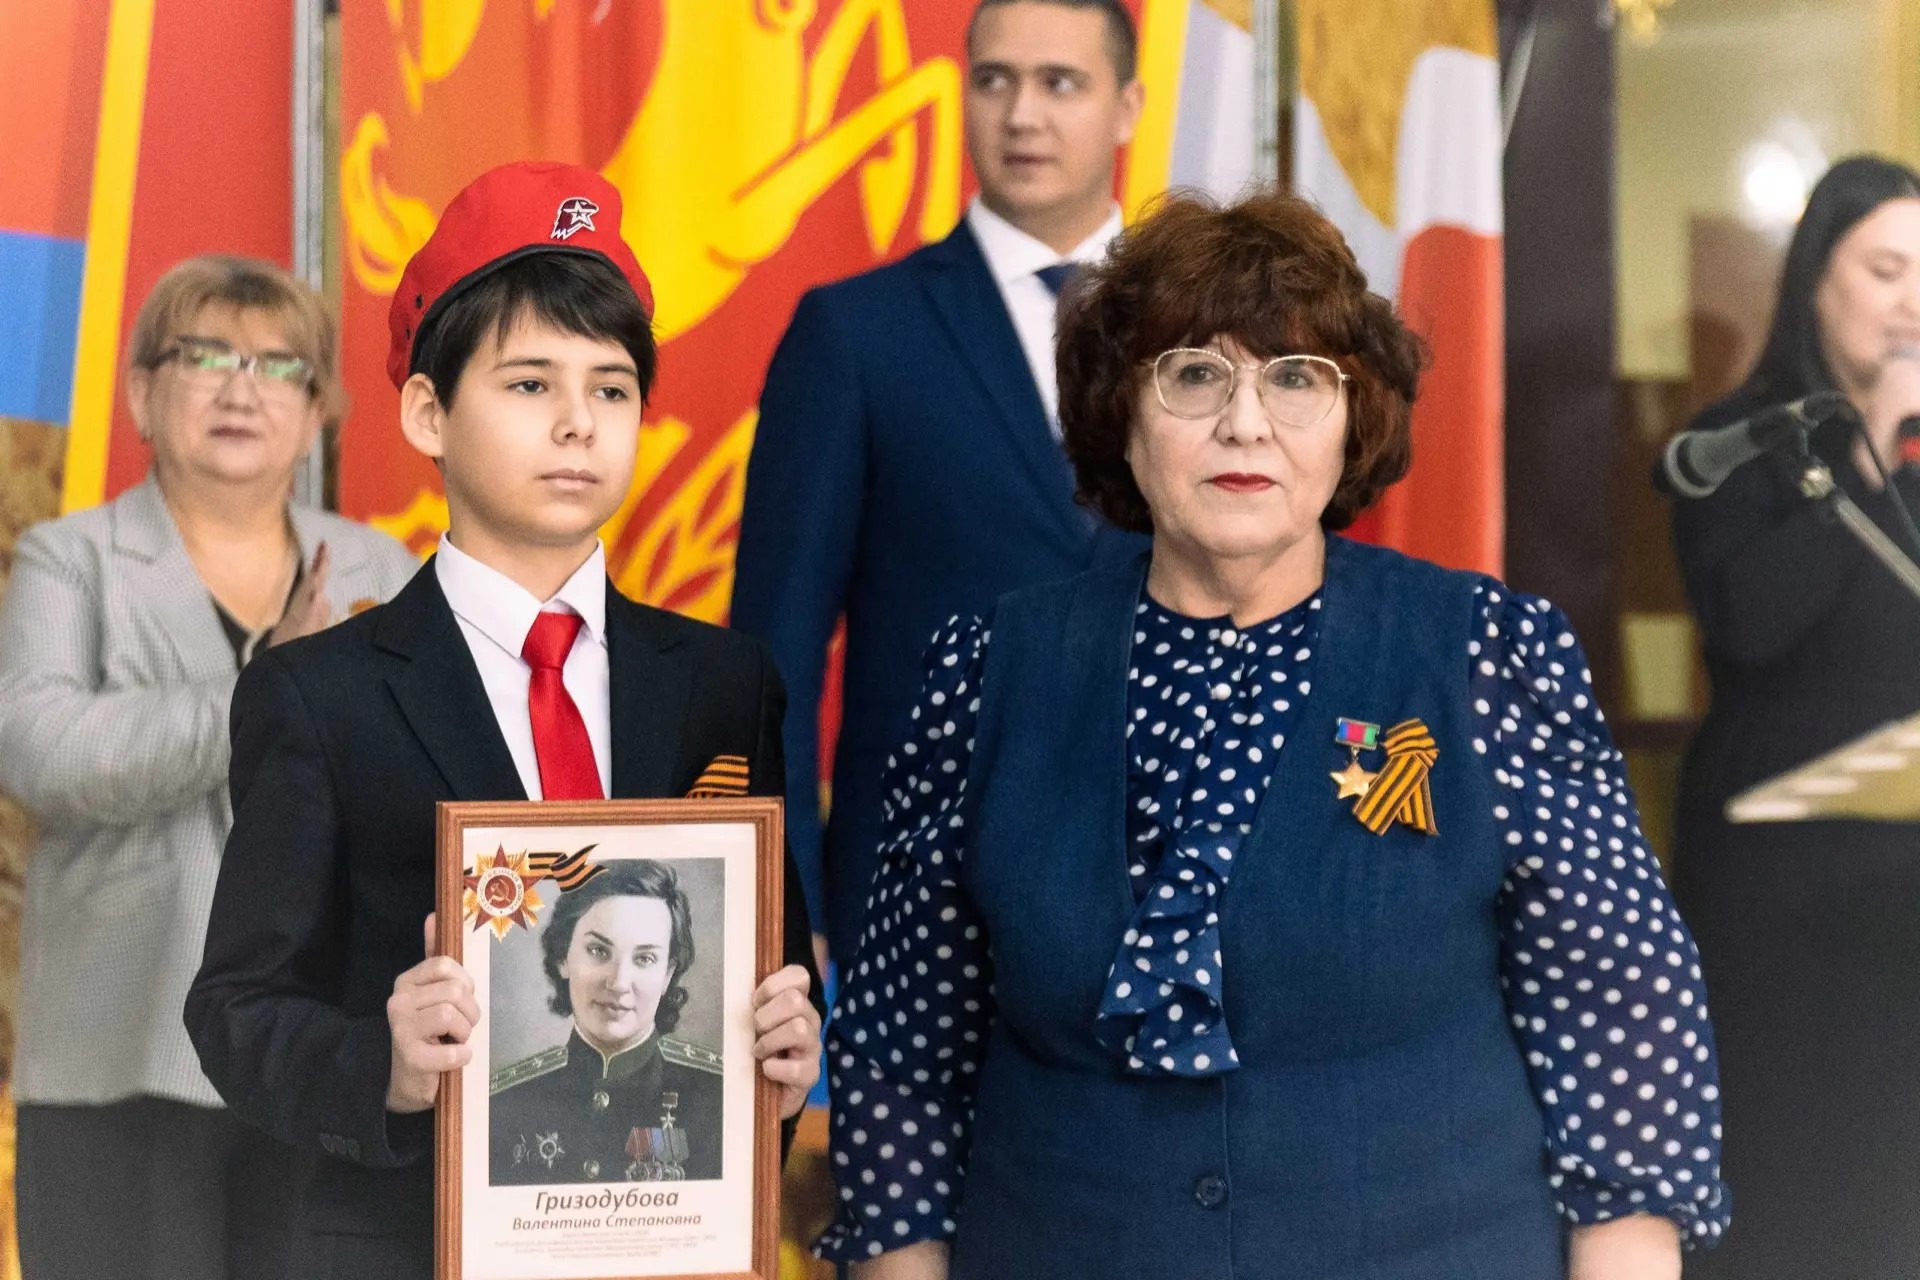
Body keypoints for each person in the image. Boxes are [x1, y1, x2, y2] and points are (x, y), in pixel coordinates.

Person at [818, 191, 1730, 1279]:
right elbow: (900, 1061)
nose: (1245, 422)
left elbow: (1623, 1026)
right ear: (1121, 412)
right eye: (1194, 374)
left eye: (1296, 378)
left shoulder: (1486, 654)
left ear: (1354, 419)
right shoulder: (986, 672)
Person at [183, 163, 824, 1280]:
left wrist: (781, 1054)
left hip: (663, 1246)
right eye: (530, 383)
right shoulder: (322, 695)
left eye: (612, 388)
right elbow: (236, 1008)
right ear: (428, 411)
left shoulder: (726, 682)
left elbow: (766, 968)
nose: (578, 423)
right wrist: (384, 1066)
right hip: (402, 1247)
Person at [0, 254, 418, 1280]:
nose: (242, 387)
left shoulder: (383, 571)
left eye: (279, 366)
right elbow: (41, 751)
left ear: (316, 412)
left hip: (331, 1051)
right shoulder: (70, 558)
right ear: (143, 393)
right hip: (120, 1055)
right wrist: (261, 692)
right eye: (207, 355)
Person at [731, 0, 1149, 968]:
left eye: (1060, 83)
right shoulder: (856, 334)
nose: (1022, 115)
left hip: (1164, 893)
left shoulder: (1201, 333)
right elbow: (773, 656)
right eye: (994, 80)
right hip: (914, 900)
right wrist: (784, 906)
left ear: (1127, 106)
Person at [1668, 153, 1920, 1280]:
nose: (1913, 304)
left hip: (1905, 884)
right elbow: (1751, 626)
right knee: (1790, 1190)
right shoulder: (1733, 445)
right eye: (1886, 271)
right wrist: (1865, 448)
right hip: (1781, 892)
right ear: (1818, 278)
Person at [491, 860, 724, 1185]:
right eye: (599, 951)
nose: (618, 983)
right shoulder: (503, 1104)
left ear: (667, 974)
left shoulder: (718, 1098)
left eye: (645, 958)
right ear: (563, 957)